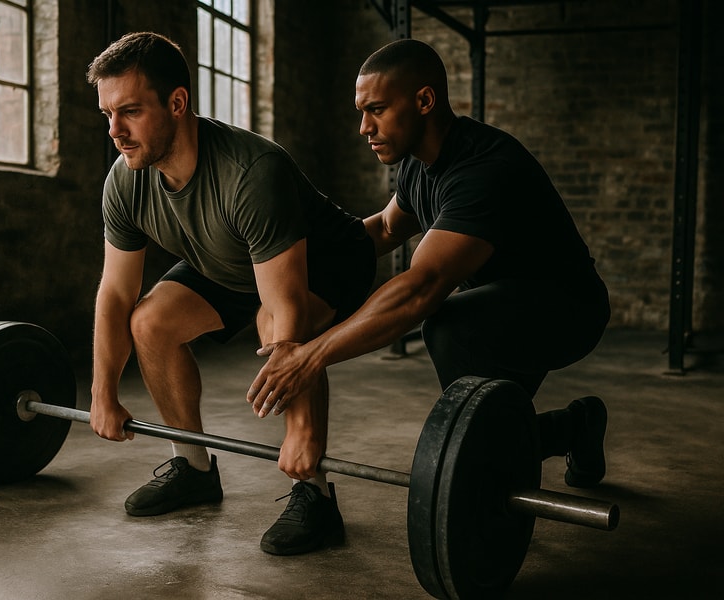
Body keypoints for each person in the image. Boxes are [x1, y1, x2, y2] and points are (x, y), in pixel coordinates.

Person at [247, 39, 611, 488]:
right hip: (502, 309)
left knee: (449, 328)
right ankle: (577, 426)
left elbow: (422, 287)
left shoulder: (484, 169)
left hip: (567, 310)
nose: (364, 127)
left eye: (376, 109)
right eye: (361, 111)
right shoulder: (420, 165)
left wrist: (310, 357)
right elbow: (382, 229)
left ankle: (511, 460)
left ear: (424, 101)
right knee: (485, 436)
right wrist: (287, 260)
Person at [85, 32, 376, 556]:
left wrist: (299, 432)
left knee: (273, 324)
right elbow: (115, 292)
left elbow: (284, 309)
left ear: (178, 103)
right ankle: (193, 468)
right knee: (149, 322)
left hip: (328, 261)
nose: (115, 131)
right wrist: (103, 391)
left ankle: (313, 493)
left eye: (129, 111)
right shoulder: (126, 181)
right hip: (230, 260)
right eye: (107, 114)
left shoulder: (249, 173)